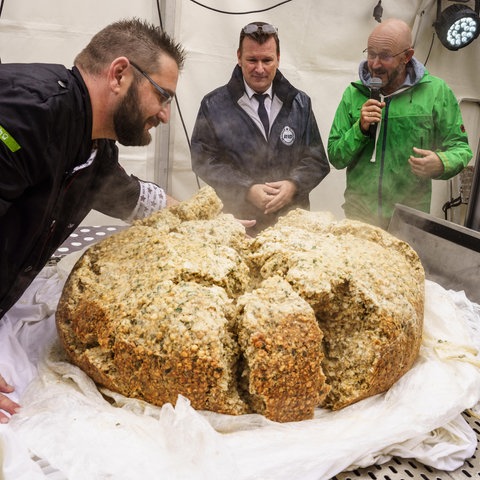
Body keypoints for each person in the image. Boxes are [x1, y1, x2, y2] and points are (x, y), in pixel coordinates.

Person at [0, 18, 188, 423]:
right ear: (120, 74)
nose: (165, 115)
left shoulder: (95, 148)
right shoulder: (28, 113)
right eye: (162, 96)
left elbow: (130, 195)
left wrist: (203, 218)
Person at [327, 18, 472, 230]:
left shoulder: (436, 92)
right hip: (360, 216)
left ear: (407, 56)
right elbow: (336, 156)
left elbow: (461, 148)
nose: (375, 64)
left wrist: (441, 162)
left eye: (385, 56)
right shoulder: (354, 93)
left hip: (409, 220)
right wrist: (360, 128)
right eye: (371, 54)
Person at [190, 21, 330, 236]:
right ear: (238, 57)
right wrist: (246, 188)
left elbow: (316, 159)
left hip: (292, 228)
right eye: (252, 60)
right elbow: (204, 161)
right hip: (239, 225)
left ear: (278, 59)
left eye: (267, 60)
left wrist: (293, 184)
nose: (260, 69)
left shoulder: (299, 102)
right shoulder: (214, 104)